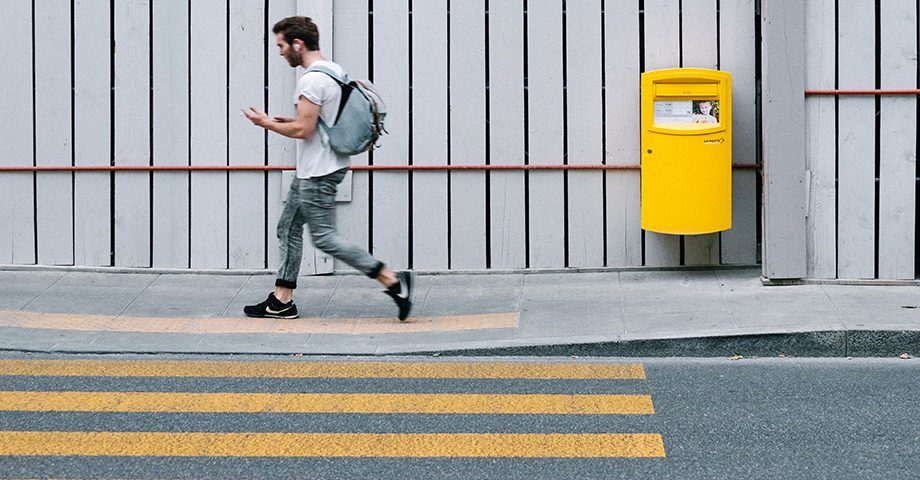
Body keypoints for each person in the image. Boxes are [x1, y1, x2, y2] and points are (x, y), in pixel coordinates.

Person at [241, 16, 414, 321]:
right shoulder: (333, 70)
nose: (280, 52)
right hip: (315, 169)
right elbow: (320, 121)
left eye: (281, 45)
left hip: (319, 173)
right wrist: (286, 120)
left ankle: (394, 281)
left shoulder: (310, 80)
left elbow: (304, 131)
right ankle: (282, 300)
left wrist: (265, 123)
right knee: (288, 228)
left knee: (324, 238)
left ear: (298, 43)